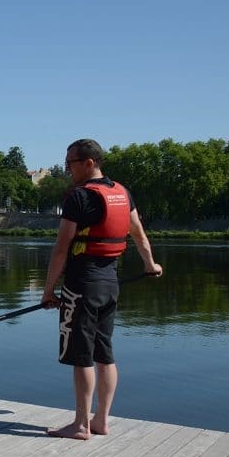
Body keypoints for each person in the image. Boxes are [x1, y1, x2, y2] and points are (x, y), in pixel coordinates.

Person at [41, 139, 162, 440]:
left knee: (82, 356)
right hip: (110, 285)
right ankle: (101, 420)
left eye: (71, 162)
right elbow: (139, 234)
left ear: (90, 162)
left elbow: (61, 249)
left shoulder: (79, 197)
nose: (67, 167)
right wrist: (151, 264)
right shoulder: (121, 193)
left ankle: (81, 424)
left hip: (81, 284)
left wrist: (48, 292)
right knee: (104, 353)